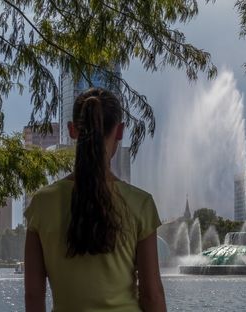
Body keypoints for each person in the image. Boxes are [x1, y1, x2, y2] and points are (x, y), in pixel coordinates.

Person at [24, 88, 167, 312]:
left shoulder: (42, 204)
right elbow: (151, 295)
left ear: (72, 130)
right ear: (119, 131)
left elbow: (33, 296)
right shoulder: (140, 203)